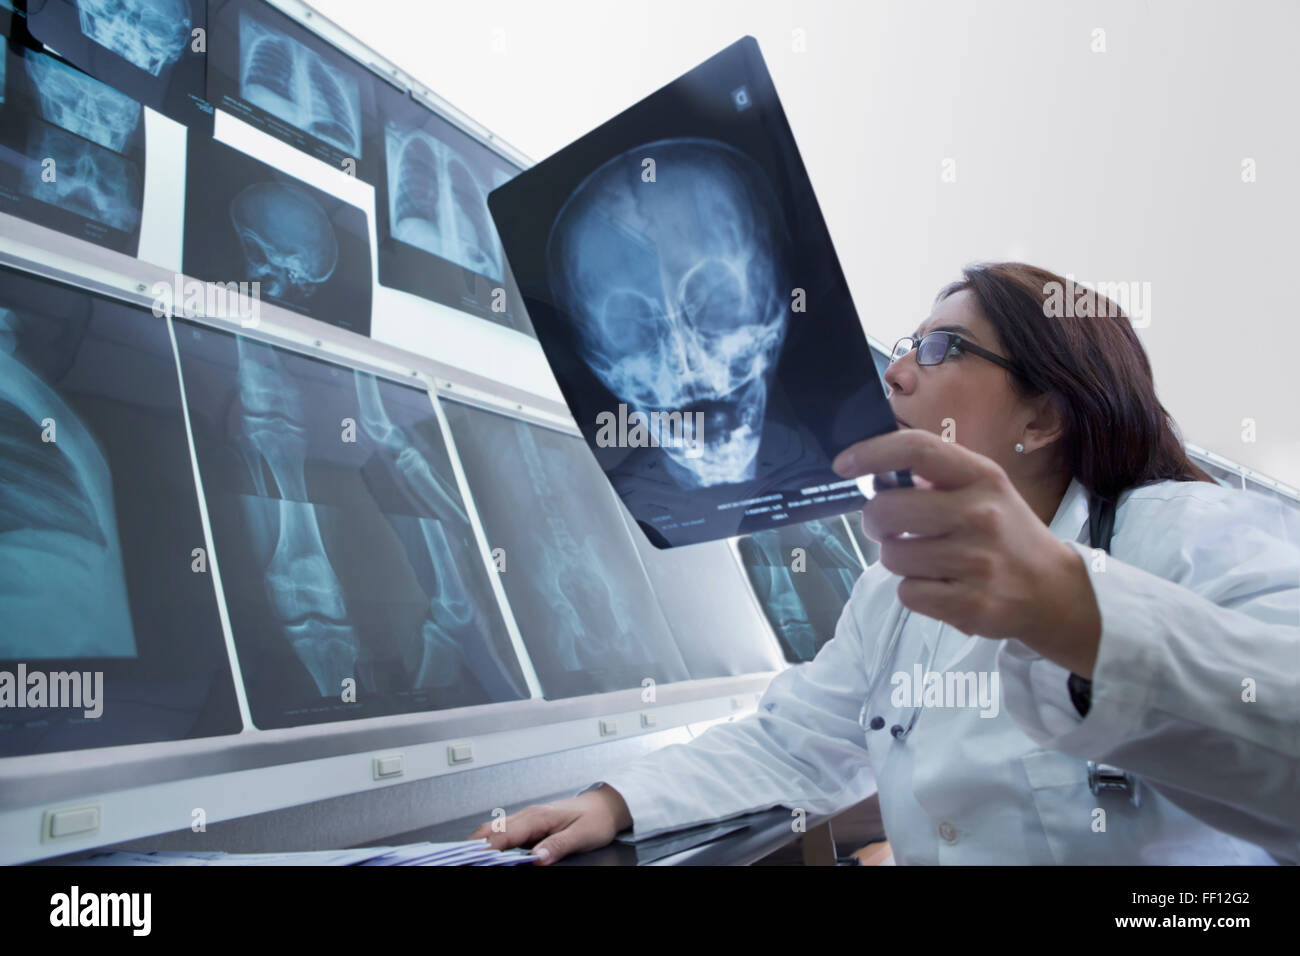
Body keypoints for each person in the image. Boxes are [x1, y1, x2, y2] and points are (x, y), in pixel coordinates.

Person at [468, 262, 1300, 865]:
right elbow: (793, 744)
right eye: (906, 345)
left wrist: (1073, 611)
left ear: (1042, 418)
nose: (895, 371)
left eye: (940, 350)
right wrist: (614, 802)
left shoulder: (1183, 535)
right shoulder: (891, 593)